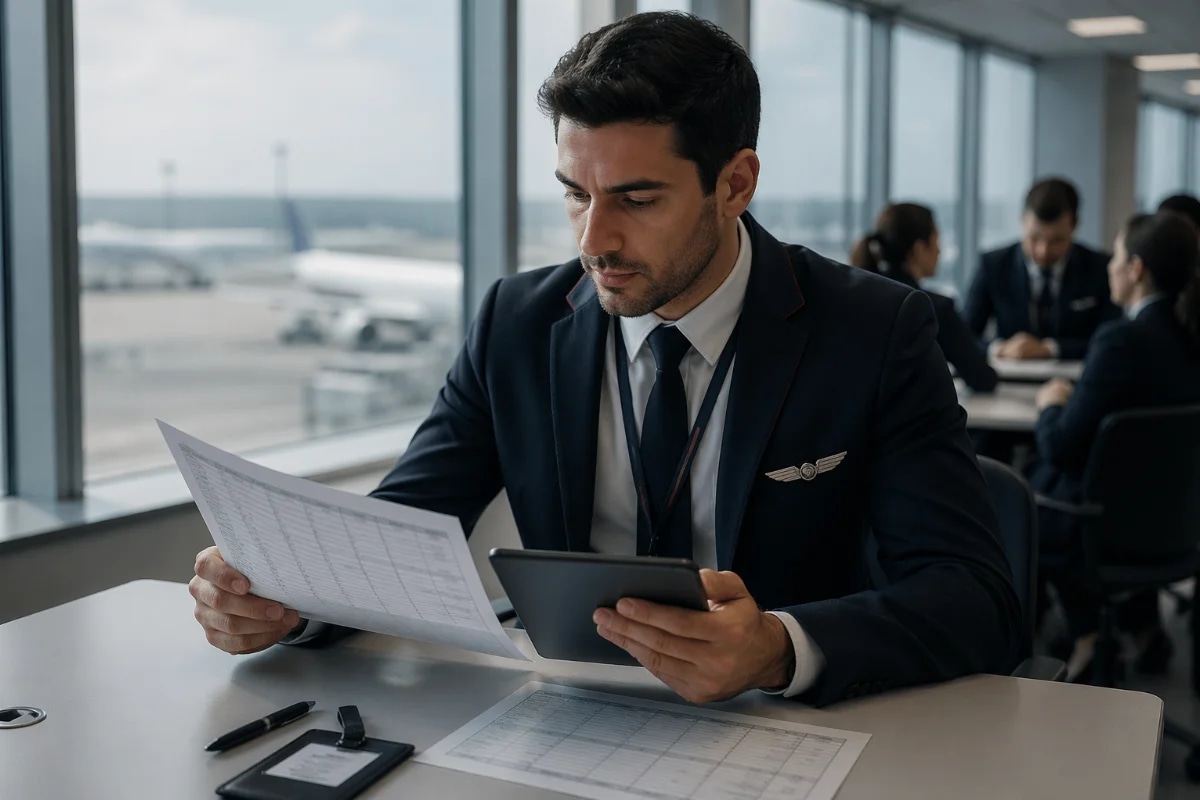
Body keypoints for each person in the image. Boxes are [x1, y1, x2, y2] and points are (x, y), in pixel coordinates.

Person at [189, 11, 1019, 708]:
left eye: (636, 198)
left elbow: (975, 597)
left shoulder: (873, 330)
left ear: (736, 184)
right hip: (569, 712)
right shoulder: (517, 321)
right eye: (576, 193)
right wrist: (285, 599)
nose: (594, 242)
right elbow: (401, 530)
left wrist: (777, 647)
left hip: (781, 725)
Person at [1030, 211, 1200, 680]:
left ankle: (1086, 636)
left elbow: (1061, 447)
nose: (1109, 266)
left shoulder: (1121, 341)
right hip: (1177, 529)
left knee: (1027, 492)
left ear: (1136, 269)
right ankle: (1138, 631)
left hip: (1101, 527)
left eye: (1117, 256)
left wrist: (1050, 404)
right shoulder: (1190, 336)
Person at [965, 178, 1120, 360]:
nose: (1043, 251)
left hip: (1076, 379)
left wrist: (1050, 349)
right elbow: (963, 335)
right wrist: (999, 348)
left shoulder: (1100, 268)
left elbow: (1112, 339)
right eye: (1034, 238)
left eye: (1056, 240)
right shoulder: (993, 265)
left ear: (1074, 225)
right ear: (1023, 220)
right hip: (1008, 377)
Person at [851, 203, 997, 392]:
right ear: (919, 248)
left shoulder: (854, 299)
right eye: (936, 241)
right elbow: (982, 378)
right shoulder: (933, 308)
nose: (939, 251)